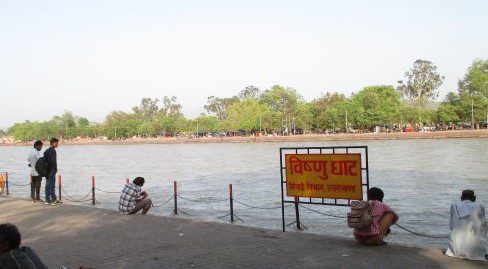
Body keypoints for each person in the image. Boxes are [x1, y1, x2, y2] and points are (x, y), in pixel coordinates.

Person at [446, 190, 487, 261]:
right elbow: (483, 226)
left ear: (461, 198)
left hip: (456, 249)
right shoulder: (480, 206)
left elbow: (451, 225)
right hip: (474, 250)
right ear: (474, 198)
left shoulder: (454, 205)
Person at [43, 138, 60, 205]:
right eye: (56, 143)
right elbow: (52, 162)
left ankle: (47, 200)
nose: (57, 144)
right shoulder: (53, 151)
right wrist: (54, 169)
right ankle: (53, 200)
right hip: (51, 171)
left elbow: (45, 161)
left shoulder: (46, 151)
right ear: (52, 143)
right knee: (52, 185)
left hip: (46, 171)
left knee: (47, 185)